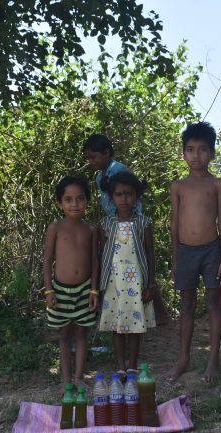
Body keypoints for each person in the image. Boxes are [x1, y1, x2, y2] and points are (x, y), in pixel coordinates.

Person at [82, 134, 170, 325]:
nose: (91, 162)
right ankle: (119, 309)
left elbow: (133, 197)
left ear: (106, 153)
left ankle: (155, 312)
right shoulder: (100, 176)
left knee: (140, 266)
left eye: (94, 157)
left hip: (129, 226)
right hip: (113, 225)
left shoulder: (119, 170)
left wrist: (132, 224)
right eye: (89, 158)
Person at [166, 122, 221, 383]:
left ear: (212, 153)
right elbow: (174, 224)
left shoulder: (217, 184)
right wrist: (175, 258)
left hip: (212, 250)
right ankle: (183, 359)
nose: (196, 156)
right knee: (187, 304)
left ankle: (213, 359)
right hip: (186, 252)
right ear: (183, 154)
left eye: (203, 150)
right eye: (190, 150)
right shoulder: (178, 186)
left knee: (214, 303)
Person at [42, 175, 99, 391]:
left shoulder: (90, 230)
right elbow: (47, 260)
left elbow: (95, 261)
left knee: (81, 333)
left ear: (87, 201)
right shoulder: (55, 228)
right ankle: (65, 379)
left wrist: (94, 290)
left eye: (80, 199)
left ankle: (78, 377)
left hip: (85, 290)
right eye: (68, 199)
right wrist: (48, 290)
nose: (74, 204)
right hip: (60, 290)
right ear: (60, 203)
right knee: (64, 335)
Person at [97, 171, 156, 377]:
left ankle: (132, 364)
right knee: (117, 324)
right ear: (111, 198)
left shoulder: (143, 222)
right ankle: (120, 365)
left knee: (134, 324)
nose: (124, 199)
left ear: (136, 196)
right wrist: (98, 285)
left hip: (136, 281)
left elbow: (150, 253)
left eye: (129, 194)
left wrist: (150, 284)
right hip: (113, 281)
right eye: (119, 194)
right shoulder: (106, 224)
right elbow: (102, 255)